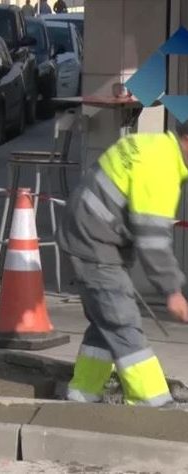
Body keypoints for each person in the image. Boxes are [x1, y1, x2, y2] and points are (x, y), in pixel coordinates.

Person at [57, 125, 188, 407]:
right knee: (122, 320)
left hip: (87, 234)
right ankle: (151, 403)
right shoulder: (162, 168)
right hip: (94, 242)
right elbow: (153, 240)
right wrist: (172, 290)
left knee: (106, 322)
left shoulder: (150, 144)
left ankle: (82, 392)